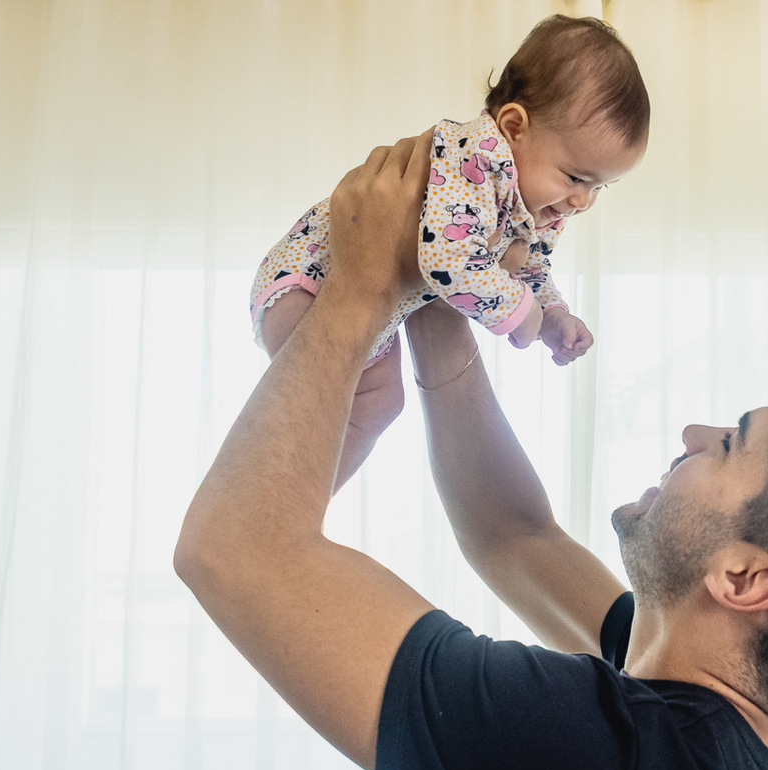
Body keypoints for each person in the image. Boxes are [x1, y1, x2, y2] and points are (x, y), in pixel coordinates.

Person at [175, 132, 768, 770]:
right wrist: (432, 283)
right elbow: (513, 536)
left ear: (746, 580)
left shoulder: (589, 748)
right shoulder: (764, 733)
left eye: (731, 444)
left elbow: (234, 551)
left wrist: (358, 288)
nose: (695, 431)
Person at [247, 15, 649, 490]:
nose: (582, 201)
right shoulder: (472, 156)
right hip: (309, 283)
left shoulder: (536, 205)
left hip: (369, 311)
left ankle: (296, 506)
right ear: (514, 127)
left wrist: (553, 314)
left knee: (379, 407)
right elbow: (446, 260)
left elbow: (530, 267)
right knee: (310, 411)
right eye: (576, 177)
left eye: (600, 187)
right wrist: (521, 317)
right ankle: (268, 501)